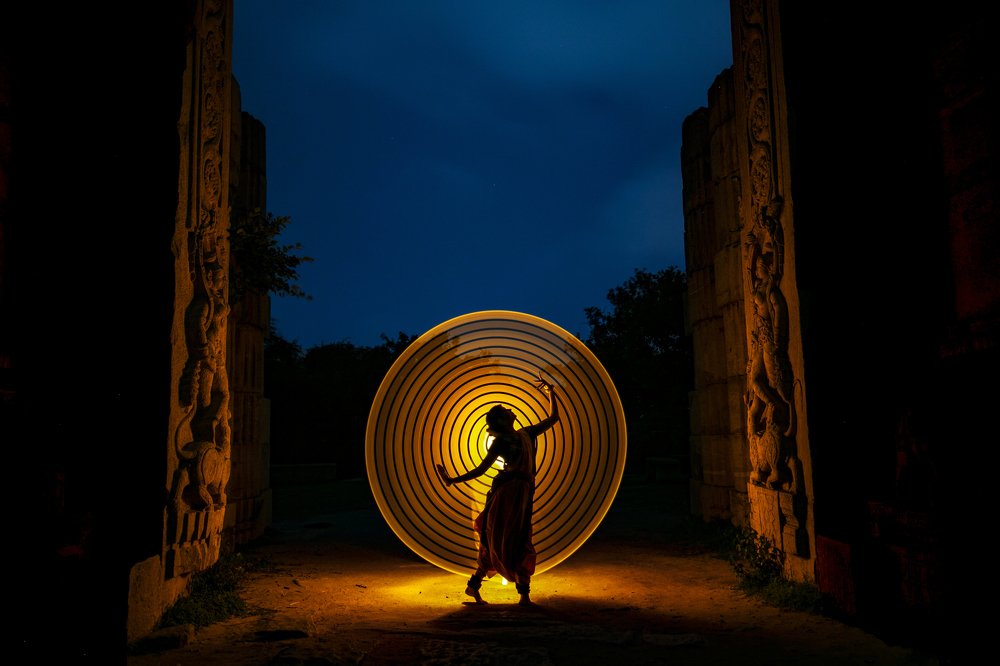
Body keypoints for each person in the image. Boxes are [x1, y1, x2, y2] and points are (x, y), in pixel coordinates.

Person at [436, 379, 559, 606]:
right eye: (505, 410)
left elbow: (553, 419)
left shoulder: (527, 433)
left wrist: (551, 392)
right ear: (502, 420)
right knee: (501, 537)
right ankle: (515, 594)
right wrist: (453, 480)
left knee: (517, 537)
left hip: (521, 493)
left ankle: (482, 588)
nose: (511, 410)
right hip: (506, 495)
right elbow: (481, 469)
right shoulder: (501, 442)